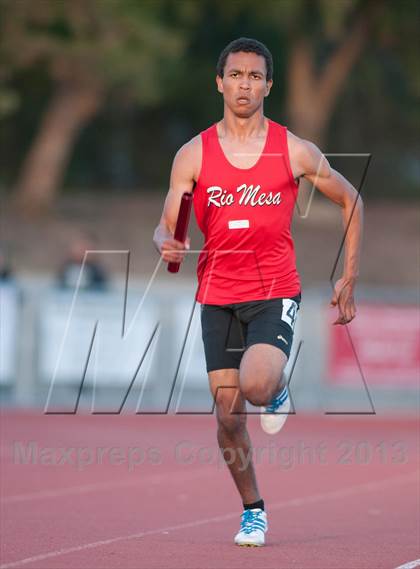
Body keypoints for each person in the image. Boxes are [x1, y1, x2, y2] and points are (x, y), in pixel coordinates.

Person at [153, 37, 363, 547]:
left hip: (273, 292)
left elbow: (351, 199)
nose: (244, 84)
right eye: (235, 75)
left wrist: (348, 275)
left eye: (254, 76)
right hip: (216, 296)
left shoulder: (293, 150)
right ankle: (253, 511)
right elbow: (166, 227)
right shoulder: (193, 154)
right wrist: (169, 244)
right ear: (219, 82)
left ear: (269, 85)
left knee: (256, 385)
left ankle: (275, 386)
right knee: (228, 418)